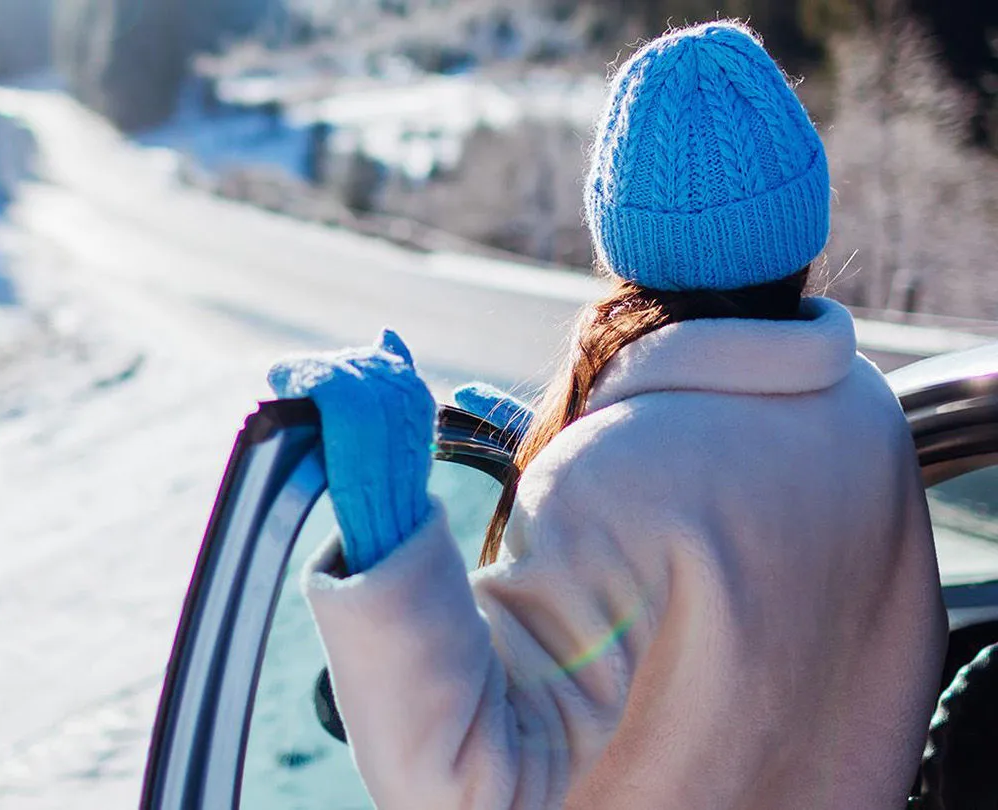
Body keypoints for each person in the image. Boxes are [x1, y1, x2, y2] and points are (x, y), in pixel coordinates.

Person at [267, 21, 947, 810]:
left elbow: (469, 789)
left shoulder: (607, 482)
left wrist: (390, 552)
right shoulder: (871, 411)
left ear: (618, 235)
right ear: (803, 215)